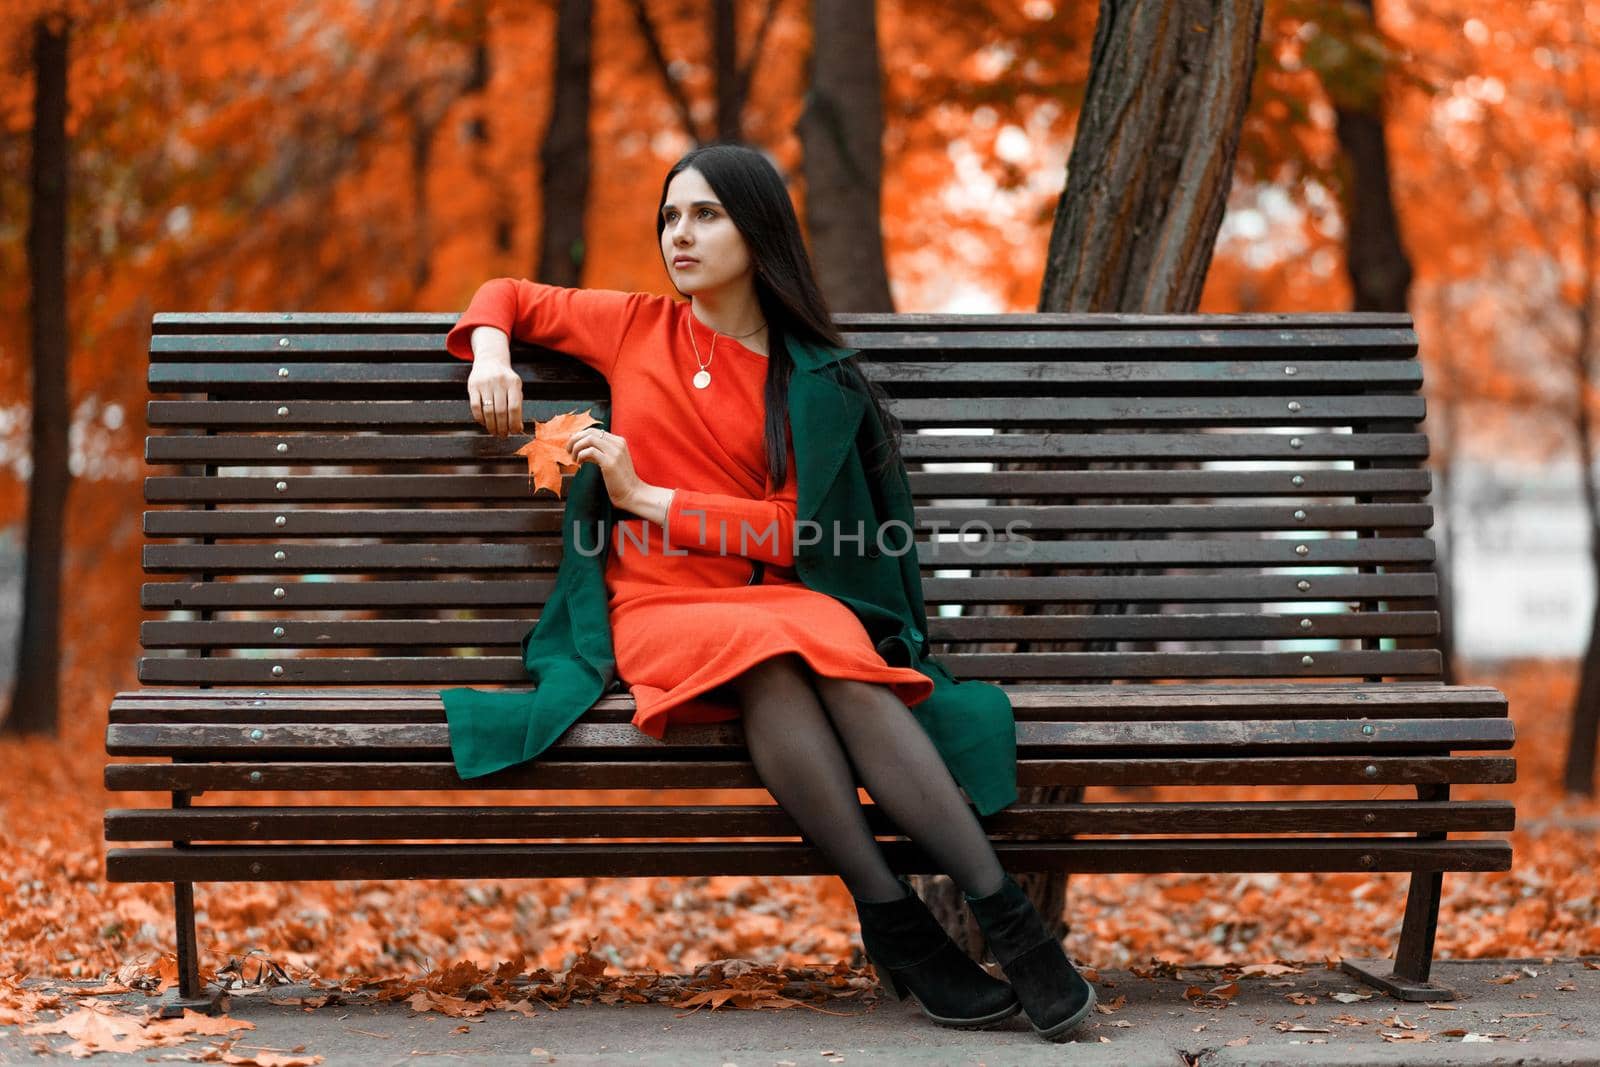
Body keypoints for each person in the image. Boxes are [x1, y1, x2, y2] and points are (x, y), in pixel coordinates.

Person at [447, 142, 1094, 1041]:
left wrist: (647, 497)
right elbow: (505, 296)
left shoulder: (812, 376)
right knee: (784, 647)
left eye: (706, 215)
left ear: (759, 232)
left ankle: (995, 921)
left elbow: (794, 531)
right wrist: (490, 354)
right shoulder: (634, 326)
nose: (681, 233)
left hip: (771, 603)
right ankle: (910, 914)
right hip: (656, 606)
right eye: (671, 216)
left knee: (808, 644)